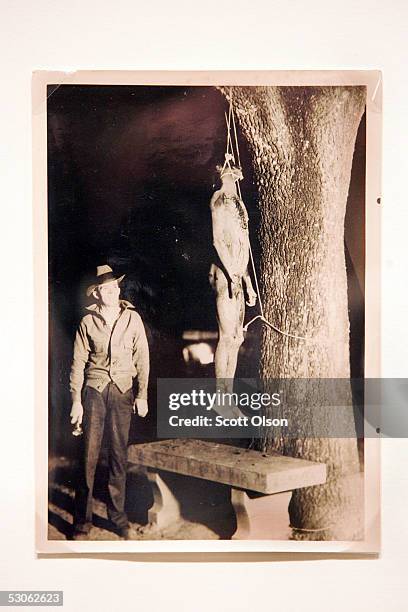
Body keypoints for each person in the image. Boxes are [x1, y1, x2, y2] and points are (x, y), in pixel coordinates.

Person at [69, 264, 149, 540]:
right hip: (94, 392)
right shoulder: (87, 322)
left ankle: (118, 518)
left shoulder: (133, 319)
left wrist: (142, 395)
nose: (111, 292)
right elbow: (78, 364)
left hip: (123, 391)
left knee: (118, 456)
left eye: (115, 287)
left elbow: (143, 359)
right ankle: (82, 522)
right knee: (88, 457)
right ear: (97, 293)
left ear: (119, 289)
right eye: (105, 289)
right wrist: (75, 402)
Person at [209, 163, 257, 414]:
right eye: (230, 174)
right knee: (227, 337)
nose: (235, 178)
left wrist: (247, 282)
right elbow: (218, 241)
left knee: (237, 339)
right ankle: (220, 398)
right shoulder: (218, 199)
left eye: (236, 175)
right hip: (225, 276)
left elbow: (243, 250)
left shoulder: (239, 206)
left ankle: (227, 400)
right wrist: (231, 274)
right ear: (222, 175)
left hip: (237, 276)